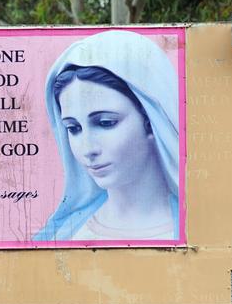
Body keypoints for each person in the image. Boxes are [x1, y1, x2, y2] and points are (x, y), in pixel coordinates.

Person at [34, 30, 180, 241]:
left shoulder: (202, 229)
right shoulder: (59, 236)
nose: (88, 149)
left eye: (105, 123)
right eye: (73, 128)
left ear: (151, 122)